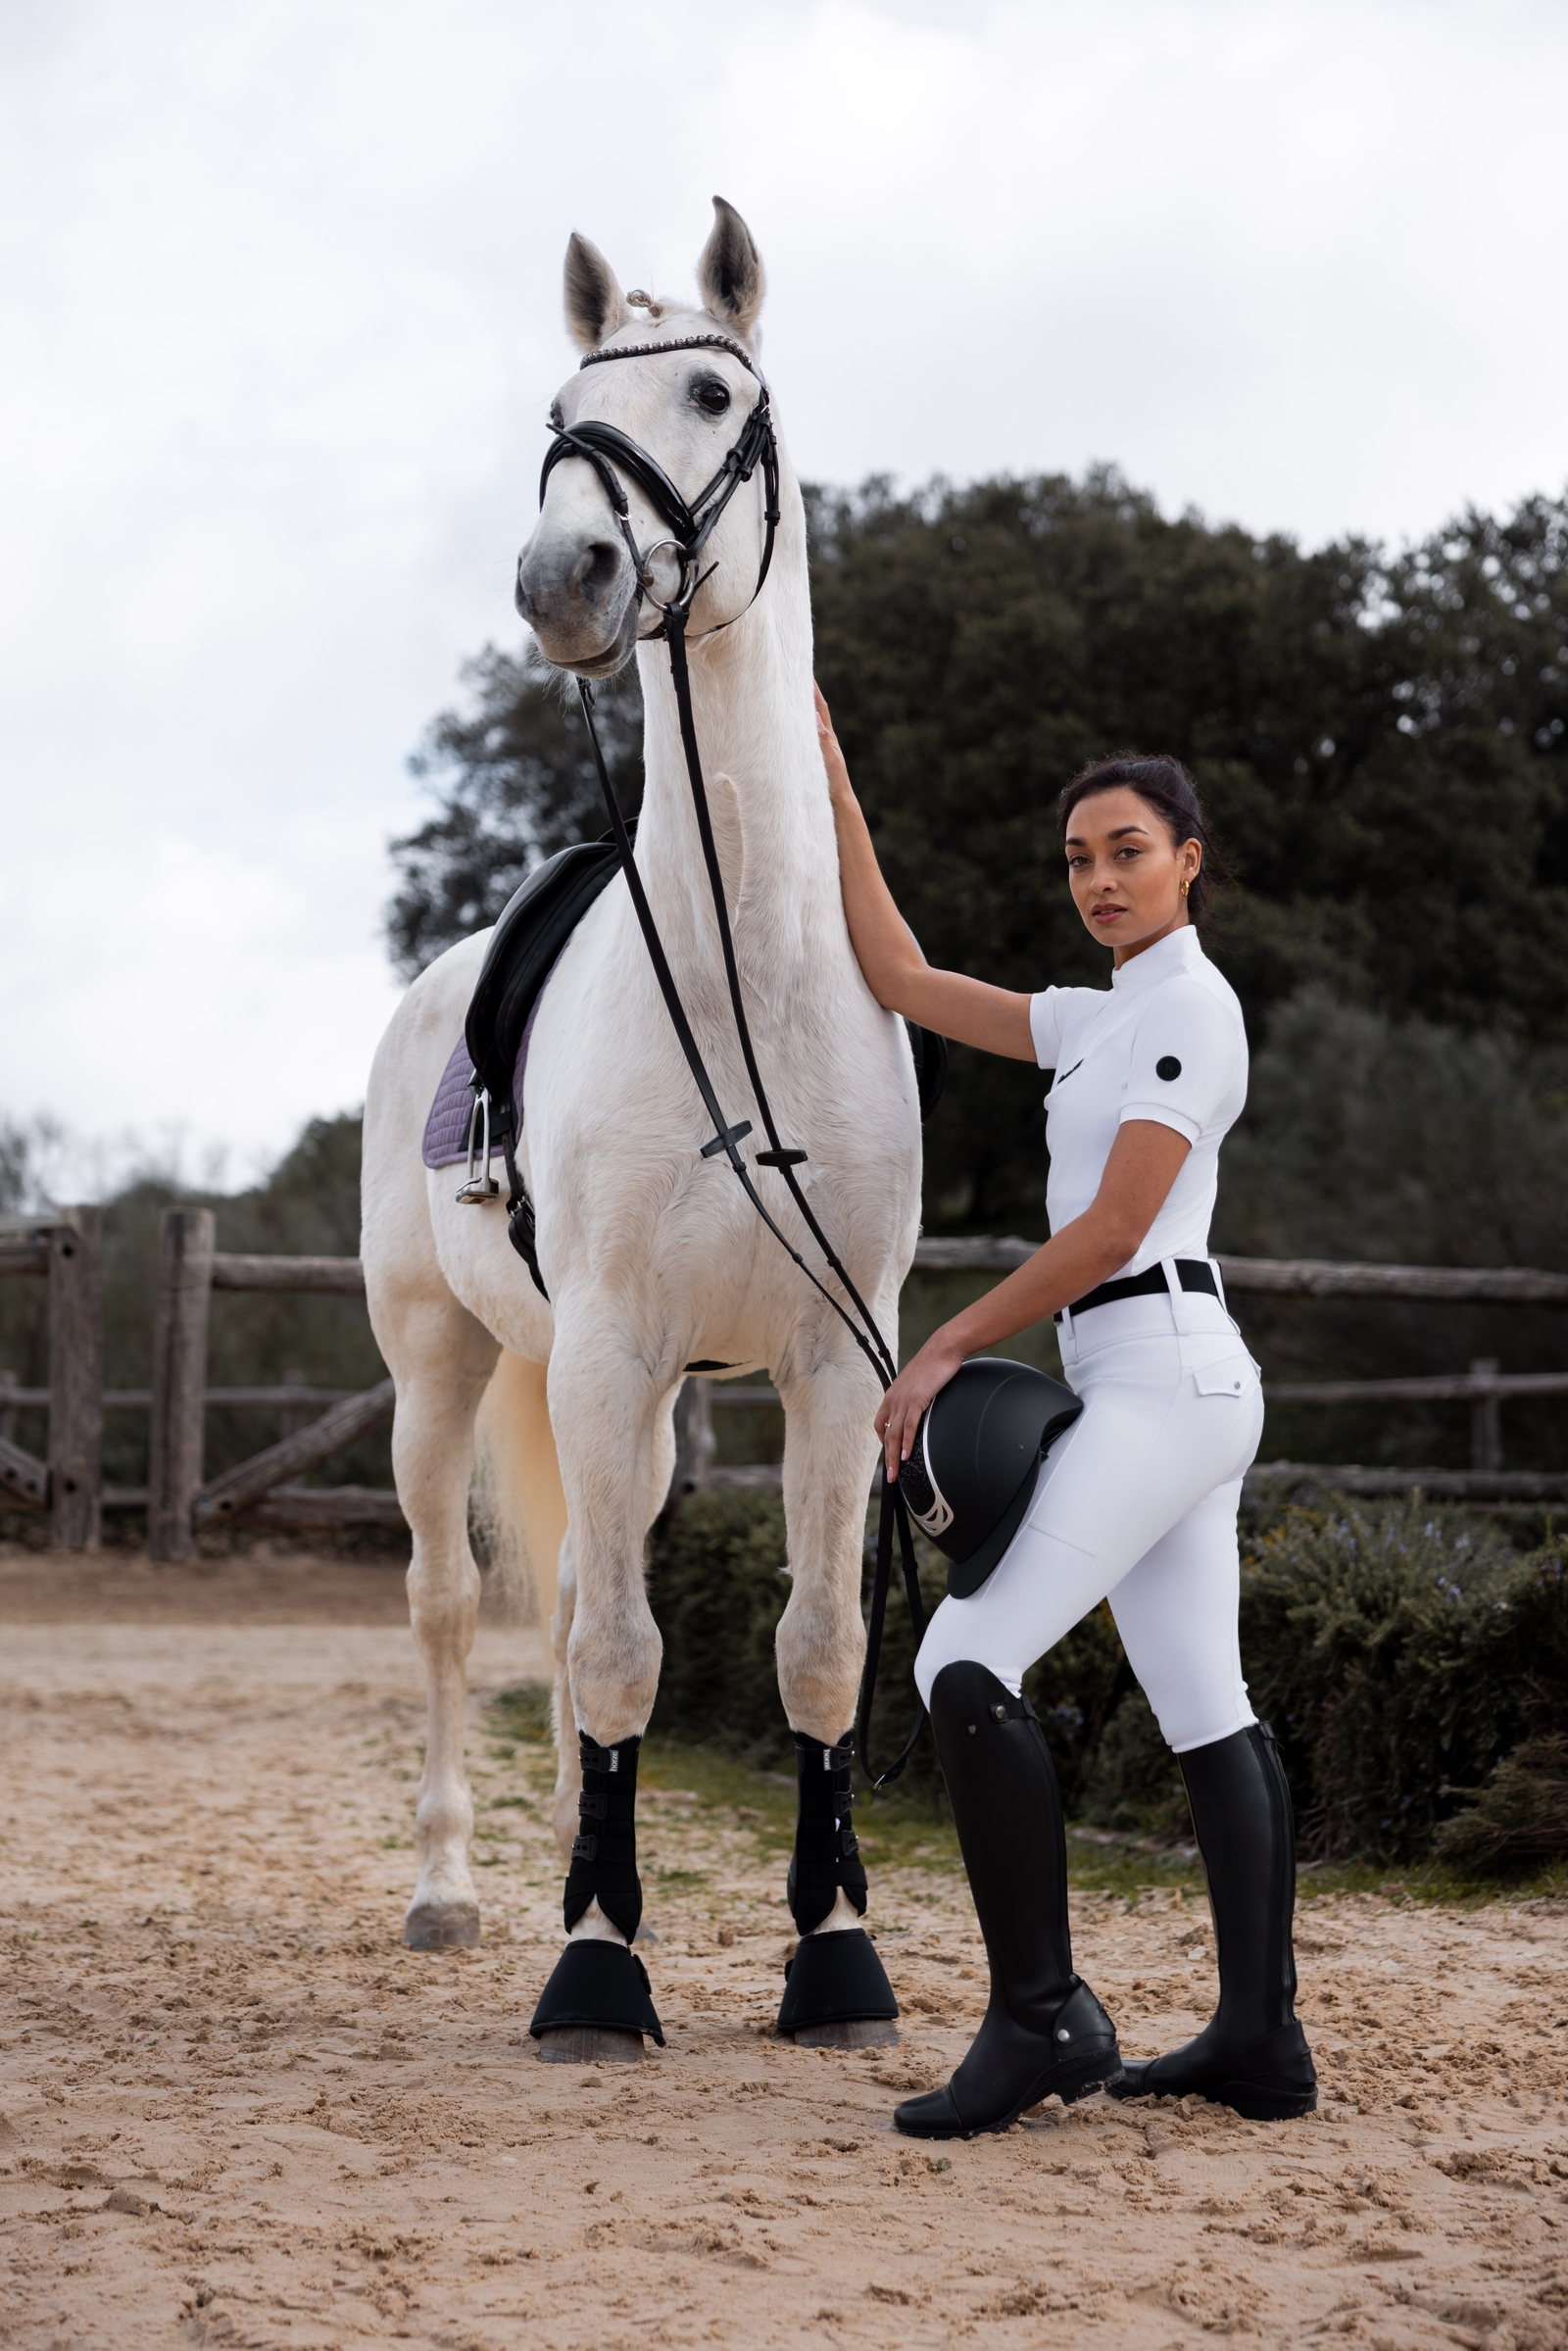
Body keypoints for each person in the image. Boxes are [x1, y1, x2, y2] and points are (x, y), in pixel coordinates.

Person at [815, 685, 1316, 2140]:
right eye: (1080, 860)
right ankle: (1259, 2040)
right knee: (1205, 1702)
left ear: (1189, 859)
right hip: (1150, 1377)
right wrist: (835, 786)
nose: (1100, 879)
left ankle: (1042, 2019)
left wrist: (942, 1348)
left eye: (1128, 850)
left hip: (1168, 1366)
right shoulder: (1095, 1019)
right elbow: (902, 976)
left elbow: (1114, 1226)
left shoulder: (1195, 1013)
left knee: (965, 1661)